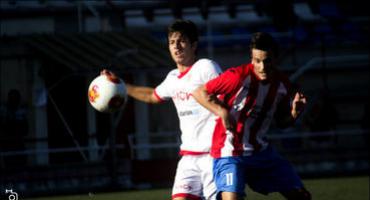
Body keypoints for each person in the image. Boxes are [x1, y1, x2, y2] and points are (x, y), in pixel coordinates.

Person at [102, 19, 222, 200]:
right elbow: (152, 95)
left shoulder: (205, 67)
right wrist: (121, 86)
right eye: (172, 42)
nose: (177, 47)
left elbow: (227, 93)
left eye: (182, 41)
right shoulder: (173, 78)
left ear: (194, 45)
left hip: (214, 155)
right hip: (188, 158)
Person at [193, 32, 311, 200]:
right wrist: (222, 112)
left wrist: (294, 114)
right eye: (257, 61)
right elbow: (199, 92)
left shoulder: (282, 85)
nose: (262, 67)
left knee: (301, 196)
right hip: (230, 152)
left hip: (261, 153)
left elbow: (282, 123)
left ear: (275, 59)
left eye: (267, 61)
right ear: (251, 59)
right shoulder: (237, 77)